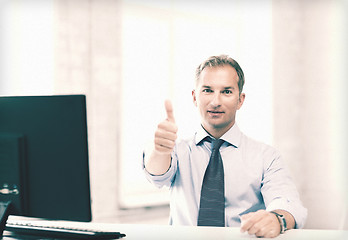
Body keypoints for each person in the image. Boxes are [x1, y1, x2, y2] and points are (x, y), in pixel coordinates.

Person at [143, 55, 307, 238]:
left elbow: (288, 202)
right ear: (194, 97)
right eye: (207, 90)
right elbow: (156, 176)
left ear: (240, 100)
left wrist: (277, 220)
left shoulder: (266, 156)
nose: (215, 102)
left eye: (227, 91)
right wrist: (160, 151)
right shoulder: (177, 150)